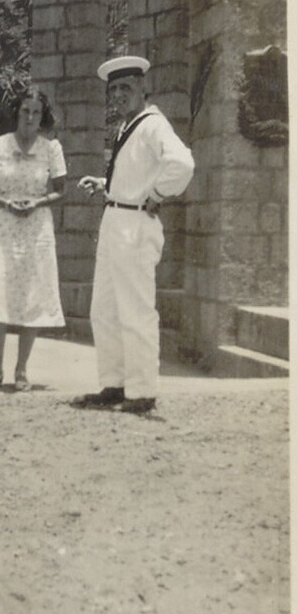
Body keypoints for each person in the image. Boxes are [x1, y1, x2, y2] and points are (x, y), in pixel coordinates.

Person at [75, 56, 195, 413]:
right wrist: (106, 185)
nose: (118, 95)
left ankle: (142, 392)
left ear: (143, 88)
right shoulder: (127, 127)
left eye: (125, 87)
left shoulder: (153, 124)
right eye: (113, 90)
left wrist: (157, 194)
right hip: (115, 219)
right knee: (104, 310)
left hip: (135, 225)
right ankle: (114, 384)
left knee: (136, 310)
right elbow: (136, 172)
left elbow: (182, 164)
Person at [0, 87, 66, 391]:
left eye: (36, 112)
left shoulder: (51, 149)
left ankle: (22, 370)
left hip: (36, 227)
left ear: (43, 116)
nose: (30, 118)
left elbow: (61, 190)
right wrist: (6, 203)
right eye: (25, 111)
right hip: (3, 225)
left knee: (32, 294)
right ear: (16, 112)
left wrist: (37, 203)